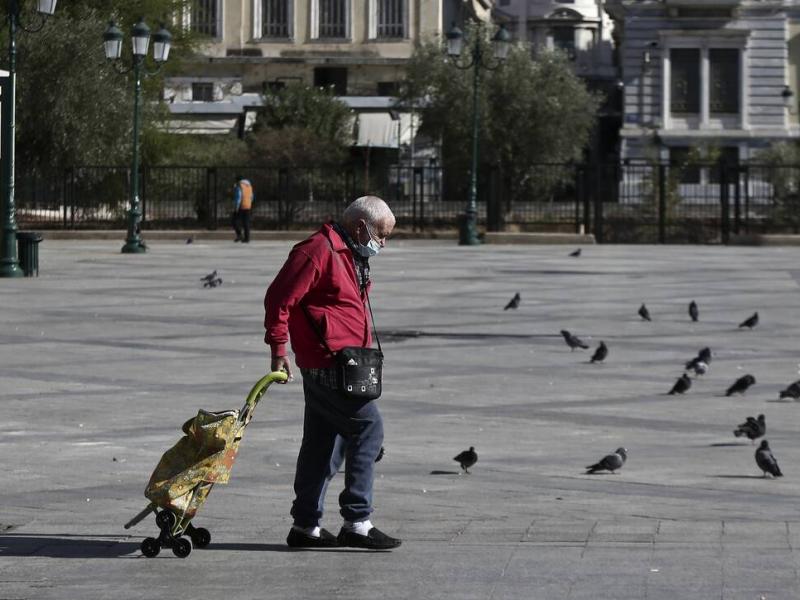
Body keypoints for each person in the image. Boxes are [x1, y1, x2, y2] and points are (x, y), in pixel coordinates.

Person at [263, 196, 400, 550]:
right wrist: (279, 348)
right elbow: (279, 298)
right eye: (381, 235)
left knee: (323, 443)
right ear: (361, 227)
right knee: (369, 428)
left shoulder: (348, 251)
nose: (382, 243)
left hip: (346, 361)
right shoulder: (317, 250)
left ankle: (305, 525)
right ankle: (357, 520)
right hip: (327, 362)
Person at [232, 174, 254, 243]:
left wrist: (236, 207)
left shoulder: (239, 185)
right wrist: (249, 203)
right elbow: (252, 196)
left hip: (241, 206)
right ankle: (247, 238)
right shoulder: (249, 185)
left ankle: (239, 235)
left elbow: (239, 196)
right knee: (246, 222)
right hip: (248, 205)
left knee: (234, 221)